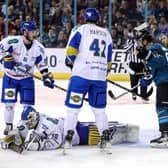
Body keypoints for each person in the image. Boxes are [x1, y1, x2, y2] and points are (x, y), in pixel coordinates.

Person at [63, 8, 113, 152]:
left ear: (85, 18)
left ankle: (68, 138)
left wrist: (70, 62)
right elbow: (109, 60)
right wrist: (104, 72)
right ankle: (105, 139)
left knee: (72, 110)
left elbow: (71, 49)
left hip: (81, 77)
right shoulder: (106, 34)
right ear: (98, 19)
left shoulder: (81, 29)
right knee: (99, 111)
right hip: (99, 79)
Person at [1, 106, 139, 153]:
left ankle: (125, 132)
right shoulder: (29, 122)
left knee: (101, 133)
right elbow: (19, 128)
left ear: (36, 116)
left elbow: (58, 142)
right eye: (27, 120)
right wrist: (11, 135)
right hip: (70, 125)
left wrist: (40, 145)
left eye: (31, 119)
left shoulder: (48, 124)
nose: (29, 122)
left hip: (78, 133)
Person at [0, 21, 55, 135]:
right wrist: (4, 60)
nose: (35, 33)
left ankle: (25, 129)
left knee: (28, 107)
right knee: (9, 105)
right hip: (10, 79)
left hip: (27, 80)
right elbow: (1, 51)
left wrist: (46, 76)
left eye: (35, 31)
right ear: (25, 32)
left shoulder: (39, 48)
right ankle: (9, 127)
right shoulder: (12, 42)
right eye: (32, 31)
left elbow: (42, 65)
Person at [137, 29, 168, 148]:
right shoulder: (161, 47)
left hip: (165, 82)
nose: (141, 44)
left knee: (162, 108)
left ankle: (165, 136)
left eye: (142, 41)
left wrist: (147, 55)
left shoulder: (155, 47)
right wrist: (147, 78)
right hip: (164, 80)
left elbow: (160, 62)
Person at [124, 26, 151, 102]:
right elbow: (125, 50)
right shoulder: (130, 40)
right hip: (133, 63)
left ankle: (144, 95)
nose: (137, 34)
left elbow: (148, 50)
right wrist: (132, 43)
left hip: (142, 63)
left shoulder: (144, 40)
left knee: (144, 79)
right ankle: (134, 93)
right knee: (133, 80)